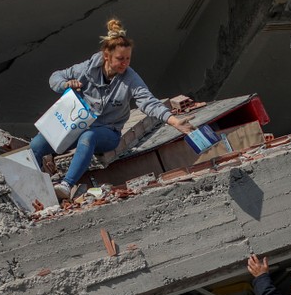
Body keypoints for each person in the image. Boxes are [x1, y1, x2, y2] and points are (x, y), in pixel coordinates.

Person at [30, 18, 195, 199]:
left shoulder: (130, 78)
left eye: (128, 59)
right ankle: (32, 188)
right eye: (120, 59)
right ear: (106, 56)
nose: (125, 63)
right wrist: (66, 84)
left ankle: (66, 185)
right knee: (37, 144)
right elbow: (55, 77)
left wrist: (175, 122)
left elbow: (149, 102)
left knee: (88, 137)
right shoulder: (86, 69)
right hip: (75, 125)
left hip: (107, 132)